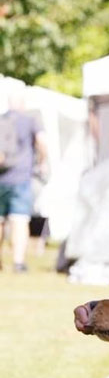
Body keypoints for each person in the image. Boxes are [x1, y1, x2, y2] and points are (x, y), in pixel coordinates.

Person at [0, 89, 46, 272]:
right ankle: (18, 262)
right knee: (19, 220)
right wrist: (42, 162)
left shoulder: (1, 120)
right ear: (23, 104)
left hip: (1, 178)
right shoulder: (30, 119)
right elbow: (42, 142)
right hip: (21, 177)